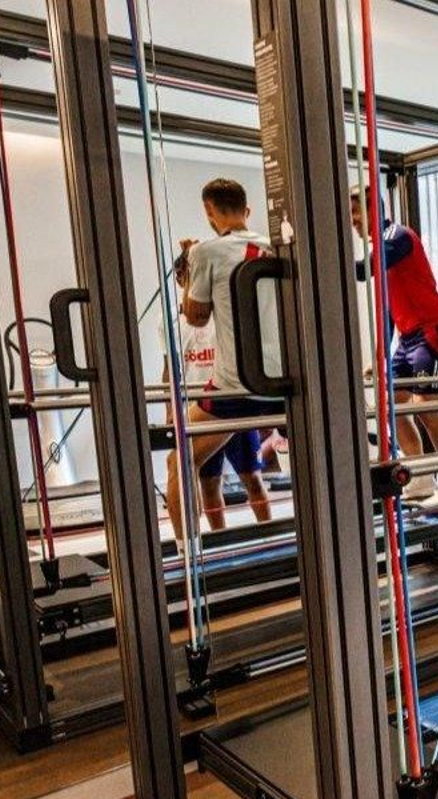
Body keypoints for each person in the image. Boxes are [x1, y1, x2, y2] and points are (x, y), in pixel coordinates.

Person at [164, 179, 282, 544]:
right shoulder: (277, 247)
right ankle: (278, 543)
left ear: (209, 211)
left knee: (178, 462)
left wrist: (190, 277)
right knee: (231, 478)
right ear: (246, 210)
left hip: (236, 386)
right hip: (281, 382)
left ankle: (190, 554)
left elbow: (196, 317)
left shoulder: (206, 252)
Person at [350, 191, 438, 508]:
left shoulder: (397, 236)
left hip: (433, 331)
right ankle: (421, 476)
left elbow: (361, 271)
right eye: (349, 216)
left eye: (356, 213)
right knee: (393, 407)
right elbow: (389, 313)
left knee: (424, 408)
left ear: (373, 209)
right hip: (408, 339)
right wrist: (379, 359)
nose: (352, 221)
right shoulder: (381, 250)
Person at [164, 249, 270, 532]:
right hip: (203, 408)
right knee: (207, 483)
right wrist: (170, 411)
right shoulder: (173, 323)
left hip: (232, 401)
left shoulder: (220, 311)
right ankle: (215, 539)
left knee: (253, 479)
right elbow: (170, 368)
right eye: (187, 276)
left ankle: (268, 532)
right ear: (180, 280)